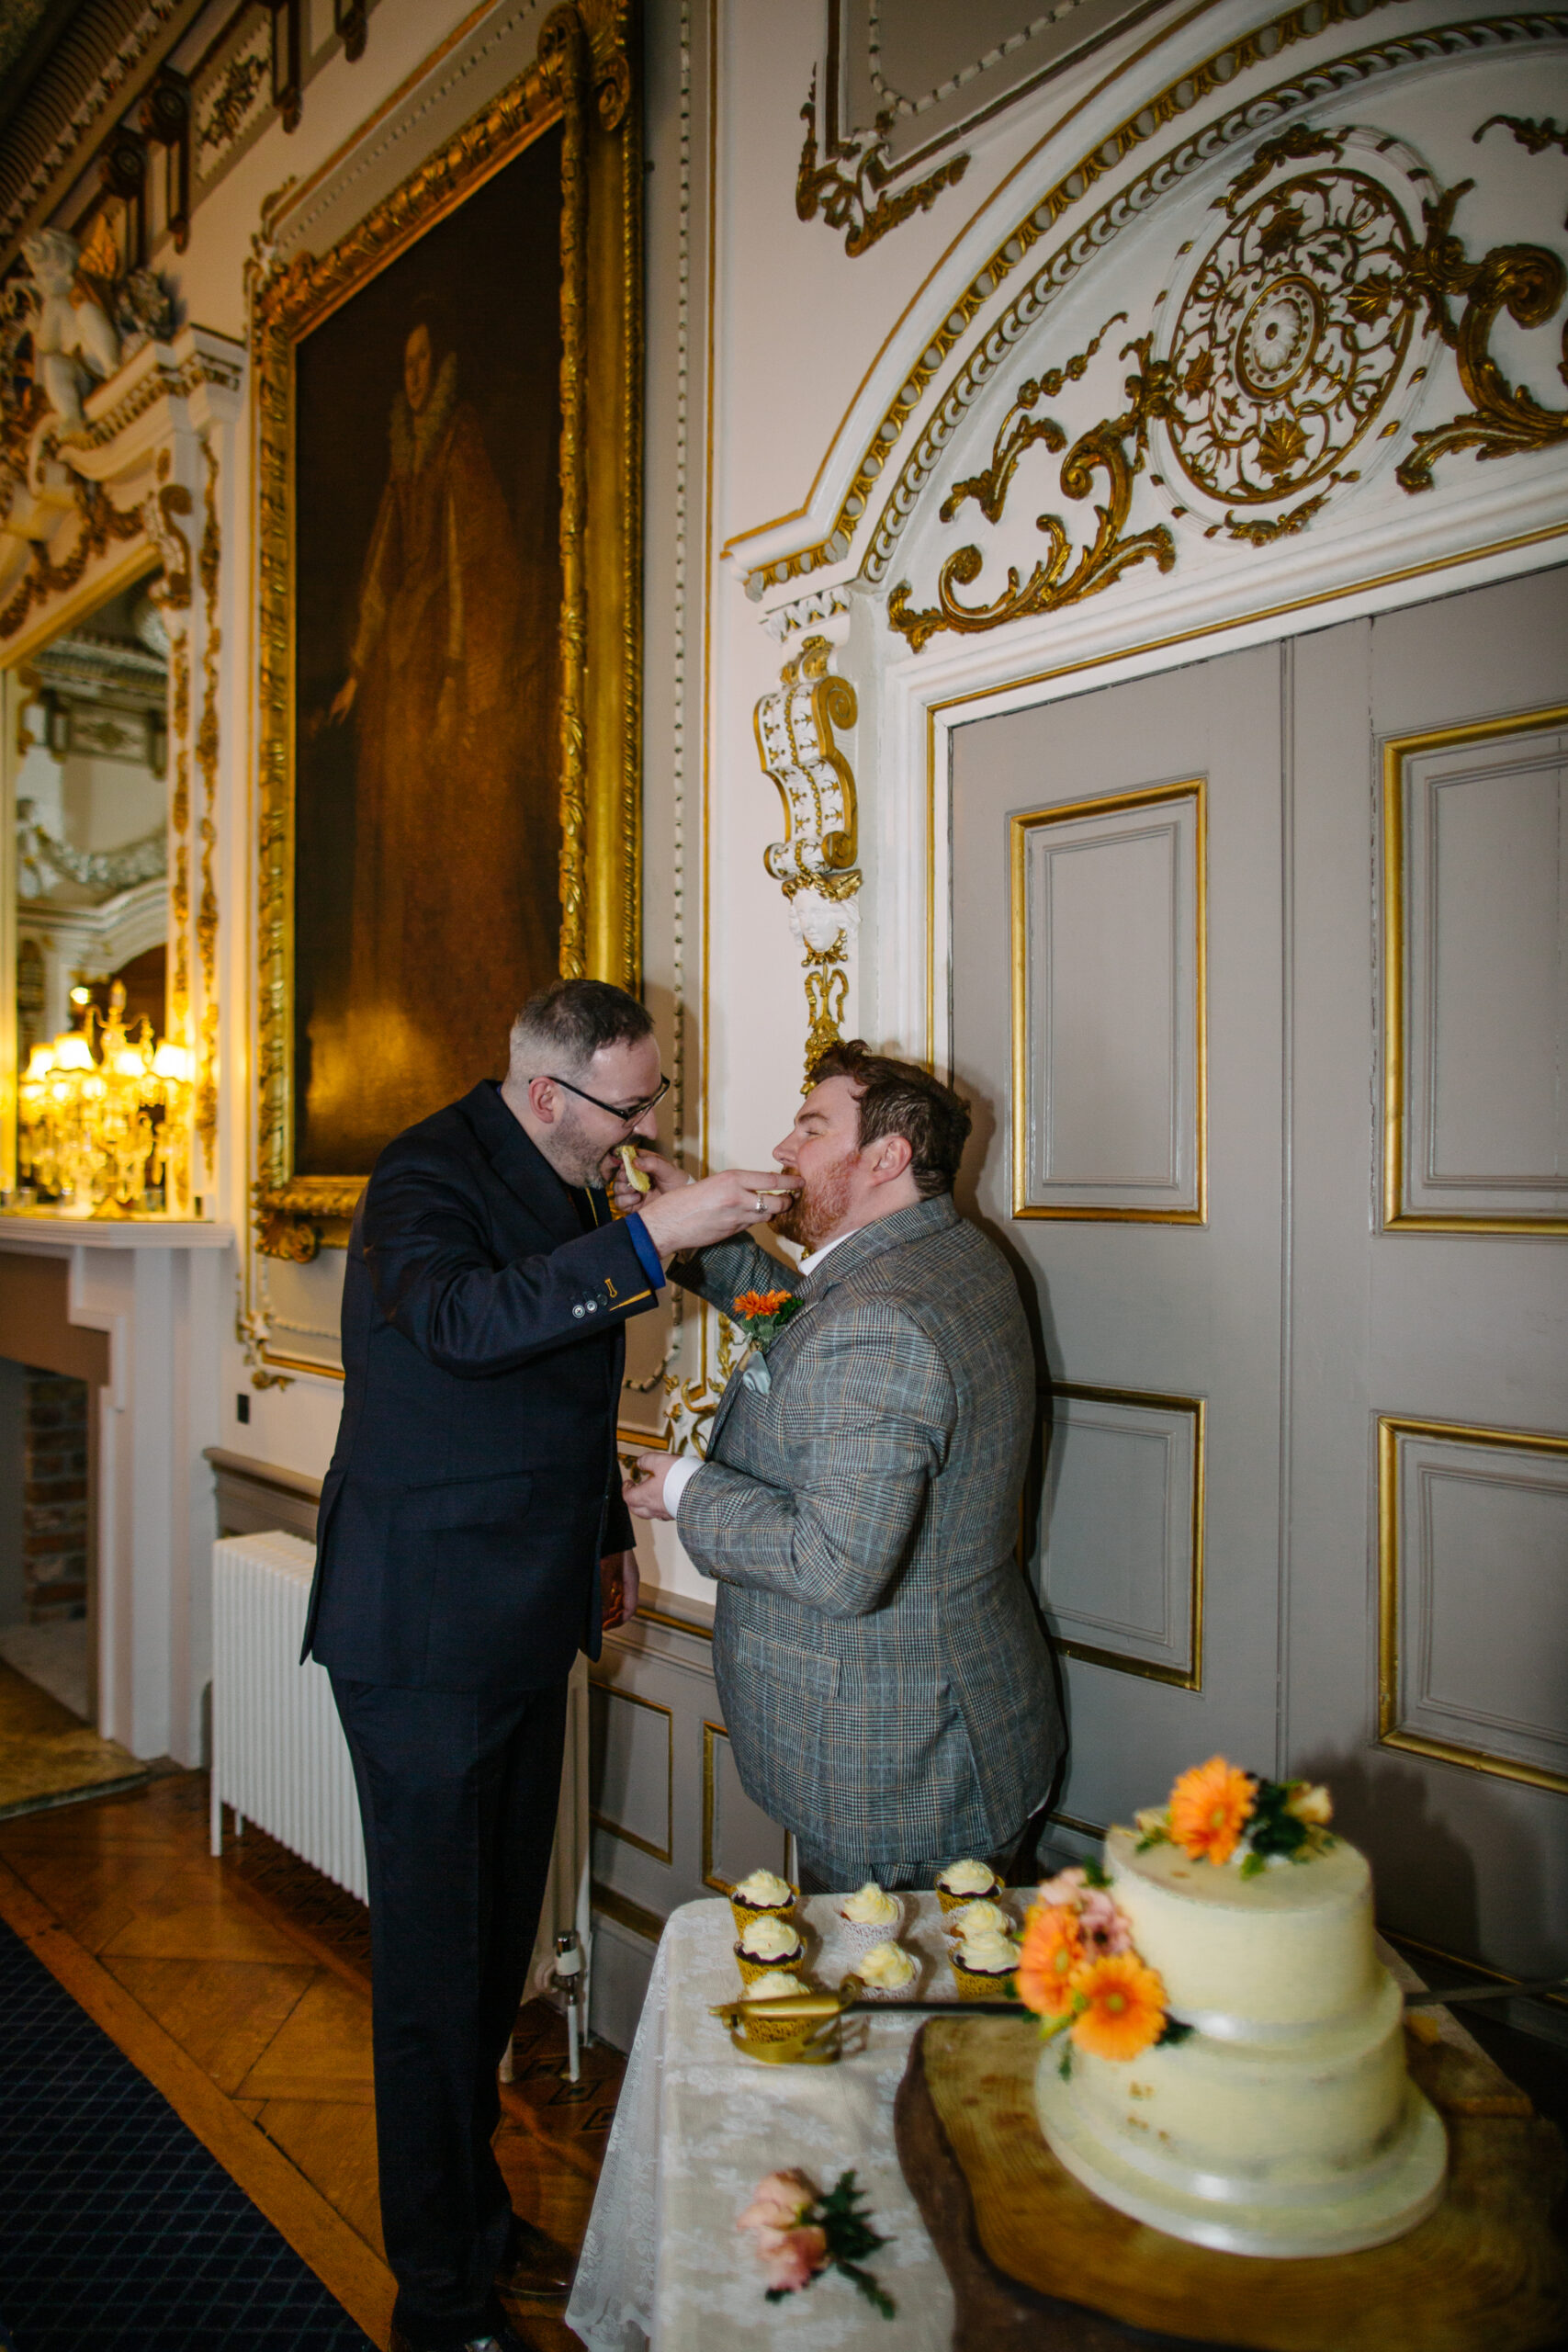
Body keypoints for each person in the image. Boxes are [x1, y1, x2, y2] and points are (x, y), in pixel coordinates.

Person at [303, 978, 793, 2352]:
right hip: (420, 1633)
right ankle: (437, 2295)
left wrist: (600, 1546)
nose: (646, 1126)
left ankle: (468, 2218)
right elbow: (465, 1327)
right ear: (546, 1096)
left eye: (653, 1101)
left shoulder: (578, 1165)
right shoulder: (422, 1174)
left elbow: (560, 1383)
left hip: (520, 1611)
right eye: (632, 1106)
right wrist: (648, 1234)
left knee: (488, 1952)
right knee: (430, 1973)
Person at [621, 1039, 1062, 1894]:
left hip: (896, 1777)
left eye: (810, 1127)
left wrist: (682, 1489)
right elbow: (808, 1327)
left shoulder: (883, 1317)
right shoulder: (940, 1256)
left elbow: (834, 1565)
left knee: (895, 2021)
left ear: (886, 1157)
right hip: (952, 1727)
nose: (784, 1149)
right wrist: (699, 1242)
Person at [317, 298, 558, 1159]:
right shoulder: (401, 466)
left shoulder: (457, 447)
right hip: (399, 678)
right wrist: (356, 670)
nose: (414, 378)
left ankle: (467, 1036)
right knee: (402, 854)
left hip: (441, 669)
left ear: (442, 370)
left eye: (424, 362)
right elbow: (385, 568)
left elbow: (476, 562)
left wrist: (462, 674)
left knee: (459, 862)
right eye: (405, 366)